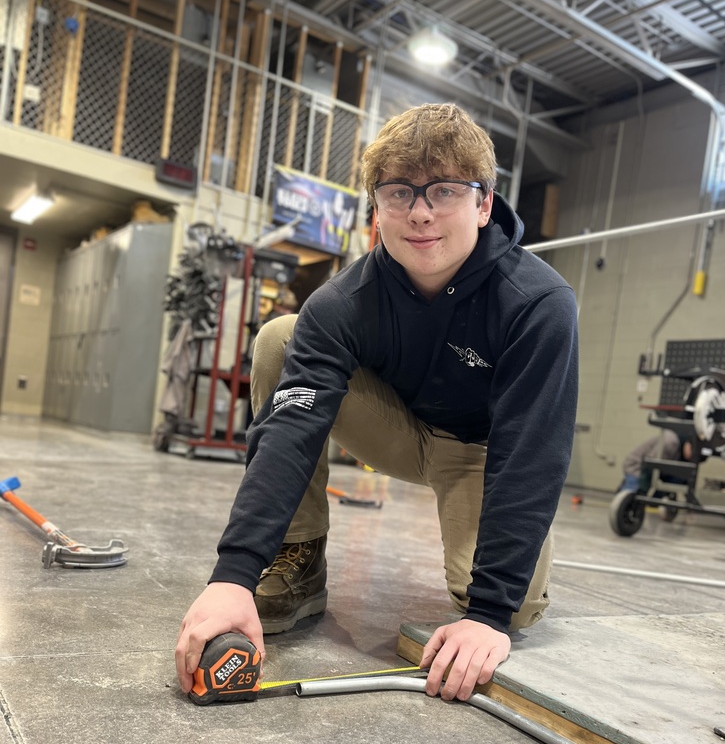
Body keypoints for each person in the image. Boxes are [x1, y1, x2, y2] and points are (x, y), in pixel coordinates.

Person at [175, 103, 579, 703]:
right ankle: (299, 557)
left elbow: (532, 454)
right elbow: (291, 426)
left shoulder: (537, 303)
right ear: (376, 206)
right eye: (399, 193)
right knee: (279, 339)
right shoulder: (344, 302)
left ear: (484, 203)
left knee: (514, 608)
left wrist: (489, 614)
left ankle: (496, 595)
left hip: (481, 452)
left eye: (445, 191)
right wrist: (233, 575)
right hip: (396, 429)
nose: (419, 213)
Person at [618, 429, 693, 493]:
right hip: (637, 466)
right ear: (688, 444)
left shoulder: (682, 452)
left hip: (648, 469)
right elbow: (649, 464)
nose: (691, 457)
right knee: (631, 496)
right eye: (692, 452)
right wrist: (643, 491)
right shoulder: (671, 443)